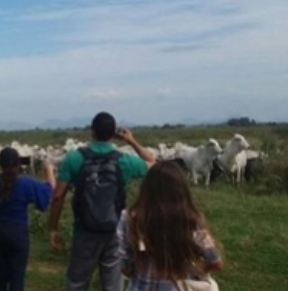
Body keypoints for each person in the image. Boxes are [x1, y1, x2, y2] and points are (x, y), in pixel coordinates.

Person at [48, 112, 155, 291]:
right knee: (113, 285)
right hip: (114, 231)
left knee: (77, 283)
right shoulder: (123, 160)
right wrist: (131, 141)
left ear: (92, 132)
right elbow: (151, 162)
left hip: (84, 230)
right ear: (114, 133)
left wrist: (53, 228)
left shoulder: (74, 158)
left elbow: (58, 196)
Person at [119, 161, 223, 290]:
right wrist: (195, 268)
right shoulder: (190, 220)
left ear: (146, 188)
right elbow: (215, 261)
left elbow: (125, 266)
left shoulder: (128, 217)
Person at [0, 148, 55, 291]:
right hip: (18, 233)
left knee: (0, 275)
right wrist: (50, 173)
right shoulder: (26, 183)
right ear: (18, 164)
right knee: (17, 278)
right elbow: (45, 200)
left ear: (0, 164)